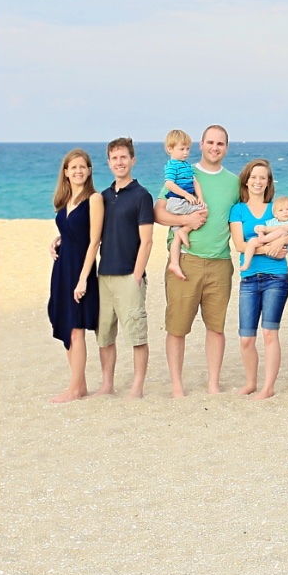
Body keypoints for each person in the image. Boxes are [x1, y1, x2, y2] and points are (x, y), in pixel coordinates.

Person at [154, 125, 240, 398]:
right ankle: (177, 386)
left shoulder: (234, 182)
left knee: (216, 328)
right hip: (186, 261)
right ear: (201, 145)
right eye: (210, 142)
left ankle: (213, 384)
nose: (215, 147)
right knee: (177, 327)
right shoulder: (184, 171)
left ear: (226, 147)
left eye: (221, 143)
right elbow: (158, 211)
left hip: (220, 263)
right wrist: (184, 220)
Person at [229, 160, 288, 400]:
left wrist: (282, 242)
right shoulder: (238, 210)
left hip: (276, 278)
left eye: (263, 177)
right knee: (245, 338)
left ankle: (268, 387)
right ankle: (251, 382)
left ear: (268, 182)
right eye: (254, 177)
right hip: (249, 278)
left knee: (269, 334)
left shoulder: (276, 208)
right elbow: (240, 245)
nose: (258, 181)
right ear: (246, 180)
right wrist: (270, 247)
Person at [95, 137, 154, 400]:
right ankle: (107, 385)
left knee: (136, 335)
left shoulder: (142, 196)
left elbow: (147, 240)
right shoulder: (103, 197)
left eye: (123, 157)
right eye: (114, 158)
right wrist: (59, 239)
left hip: (129, 276)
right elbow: (91, 233)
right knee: (104, 335)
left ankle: (137, 387)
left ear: (132, 160)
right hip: (103, 276)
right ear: (108, 163)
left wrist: (137, 276)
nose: (119, 162)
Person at [47, 149, 104, 403]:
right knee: (66, 326)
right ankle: (79, 386)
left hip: (81, 270)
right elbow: (71, 230)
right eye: (74, 167)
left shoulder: (94, 199)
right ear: (66, 172)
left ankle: (74, 389)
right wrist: (57, 240)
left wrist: (83, 279)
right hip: (61, 270)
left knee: (76, 330)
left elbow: (94, 241)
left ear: (89, 171)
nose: (78, 171)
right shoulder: (65, 200)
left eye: (83, 167)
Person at [162, 129, 205, 282]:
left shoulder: (186, 165)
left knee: (176, 236)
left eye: (187, 149)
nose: (185, 152)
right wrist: (187, 195)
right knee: (203, 211)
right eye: (182, 149)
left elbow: (195, 182)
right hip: (177, 202)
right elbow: (169, 183)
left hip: (183, 201)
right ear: (170, 149)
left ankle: (174, 263)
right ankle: (185, 230)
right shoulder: (173, 165)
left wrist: (199, 196)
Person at [240, 195, 288, 271]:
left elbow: (285, 228)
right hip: (267, 245)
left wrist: (266, 229)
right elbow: (264, 229)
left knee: (282, 231)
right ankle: (246, 263)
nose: (285, 212)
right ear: (275, 214)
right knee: (252, 241)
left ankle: (263, 239)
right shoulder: (272, 221)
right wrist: (259, 230)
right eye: (281, 210)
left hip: (279, 250)